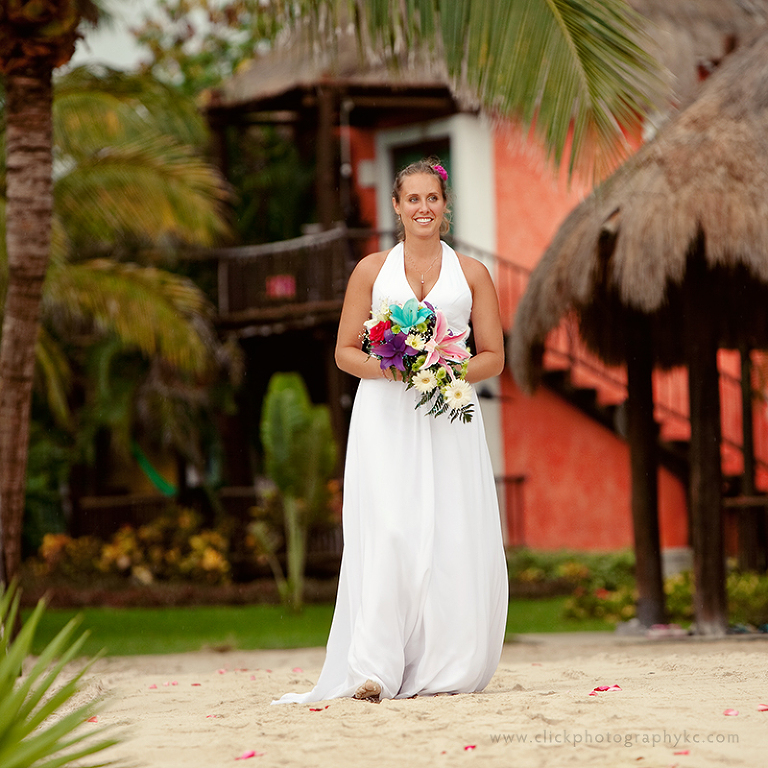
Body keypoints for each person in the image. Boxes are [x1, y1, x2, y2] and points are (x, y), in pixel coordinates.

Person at [274, 159, 508, 704]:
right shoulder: (370, 270)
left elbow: (493, 357)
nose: (424, 208)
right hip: (385, 416)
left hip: (448, 415)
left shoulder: (473, 273)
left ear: (445, 206)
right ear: (397, 207)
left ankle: (447, 663)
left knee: (450, 532)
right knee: (389, 531)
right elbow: (344, 352)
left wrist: (443, 368)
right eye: (414, 199)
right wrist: (395, 368)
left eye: (433, 198)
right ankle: (375, 668)